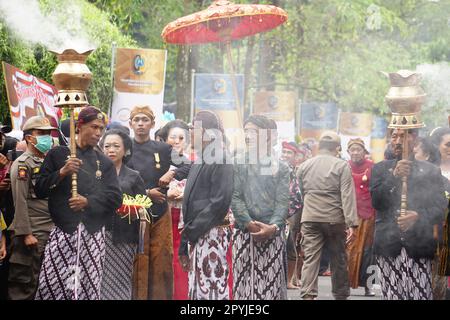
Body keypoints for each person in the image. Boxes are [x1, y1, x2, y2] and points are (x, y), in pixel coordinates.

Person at [35, 106, 122, 300]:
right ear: (79, 126)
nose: (98, 133)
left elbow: (116, 197)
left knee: (86, 289)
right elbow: (39, 188)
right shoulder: (57, 154)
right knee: (52, 286)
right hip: (63, 232)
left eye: (101, 128)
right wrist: (62, 172)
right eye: (94, 127)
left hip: (92, 235)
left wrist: (88, 202)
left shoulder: (104, 162)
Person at [370, 128, 447, 300]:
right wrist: (394, 176)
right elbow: (377, 202)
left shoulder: (430, 171)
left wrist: (418, 216)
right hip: (389, 246)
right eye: (394, 136)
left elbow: (440, 208)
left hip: (419, 246)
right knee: (392, 296)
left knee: (420, 296)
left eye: (403, 136)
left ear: (415, 139)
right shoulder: (380, 169)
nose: (398, 141)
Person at [127, 105, 190, 300]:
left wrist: (172, 172)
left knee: (161, 262)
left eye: (144, 120)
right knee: (137, 261)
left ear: (152, 124)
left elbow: (188, 165)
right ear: (130, 124)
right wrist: (147, 193)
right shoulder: (124, 147)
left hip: (160, 213)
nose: (140, 124)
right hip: (132, 214)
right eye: (136, 120)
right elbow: (118, 179)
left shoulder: (162, 149)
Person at [232, 114, 290, 300]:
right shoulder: (238, 163)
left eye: (254, 132)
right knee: (242, 286)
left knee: (270, 286)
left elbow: (282, 202)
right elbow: (235, 197)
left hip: (272, 234)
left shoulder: (281, 167)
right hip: (244, 233)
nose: (248, 136)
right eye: (246, 131)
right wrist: (249, 223)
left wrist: (272, 227)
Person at [297, 131, 358, 300]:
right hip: (334, 219)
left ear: (319, 146)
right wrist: (352, 223)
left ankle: (308, 295)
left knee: (310, 259)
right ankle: (340, 294)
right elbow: (347, 195)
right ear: (337, 148)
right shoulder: (341, 166)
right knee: (338, 258)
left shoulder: (304, 166)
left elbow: (300, 194)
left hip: (310, 217)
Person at [179, 111, 233, 300]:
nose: (190, 133)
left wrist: (192, 230)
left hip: (211, 233)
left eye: (193, 129)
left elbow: (220, 202)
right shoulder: (201, 158)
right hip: (196, 233)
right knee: (197, 288)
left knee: (212, 288)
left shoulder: (221, 158)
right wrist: (186, 239)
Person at [7, 116, 56, 300]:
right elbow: (19, 201)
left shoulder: (47, 163)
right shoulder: (23, 164)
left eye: (49, 133)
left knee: (45, 286)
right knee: (26, 287)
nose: (47, 137)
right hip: (32, 233)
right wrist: (26, 233)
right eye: (41, 133)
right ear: (29, 138)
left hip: (50, 231)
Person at [100, 128, 146, 300]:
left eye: (116, 146)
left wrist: (133, 208)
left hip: (124, 236)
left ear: (126, 149)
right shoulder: (96, 174)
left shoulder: (134, 176)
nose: (111, 150)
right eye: (107, 146)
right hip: (99, 235)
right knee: (98, 277)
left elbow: (144, 206)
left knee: (121, 279)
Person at [157, 119, 191, 300]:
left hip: (184, 221)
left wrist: (186, 194)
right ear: (165, 139)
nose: (177, 141)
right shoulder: (158, 161)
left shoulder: (194, 163)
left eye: (181, 138)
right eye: (173, 137)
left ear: (187, 141)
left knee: (180, 260)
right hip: (162, 217)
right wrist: (166, 193)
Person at [345, 138, 376, 296]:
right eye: (352, 149)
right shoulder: (343, 167)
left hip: (369, 215)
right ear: (348, 152)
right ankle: (344, 285)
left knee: (368, 252)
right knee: (347, 250)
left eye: (359, 149)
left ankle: (369, 286)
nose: (355, 152)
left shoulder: (373, 167)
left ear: (364, 152)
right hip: (348, 215)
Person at [280, 141, 307, 289]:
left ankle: (291, 279)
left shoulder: (298, 171)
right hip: (276, 215)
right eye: (283, 152)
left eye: (289, 152)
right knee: (288, 247)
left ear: (296, 156)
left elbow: (299, 197)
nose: (285, 155)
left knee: (295, 246)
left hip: (292, 213)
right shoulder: (274, 167)